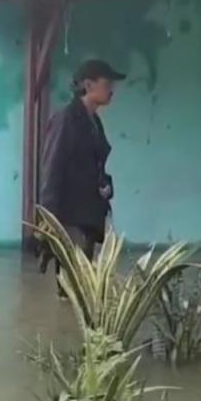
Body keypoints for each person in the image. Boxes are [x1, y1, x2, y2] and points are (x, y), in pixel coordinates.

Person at [39, 59, 125, 279]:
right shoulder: (66, 118)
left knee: (82, 280)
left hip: (89, 213)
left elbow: (93, 163)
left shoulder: (93, 120)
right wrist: (49, 219)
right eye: (107, 84)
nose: (111, 91)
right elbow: (52, 166)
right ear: (88, 85)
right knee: (73, 283)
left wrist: (105, 183)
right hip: (70, 215)